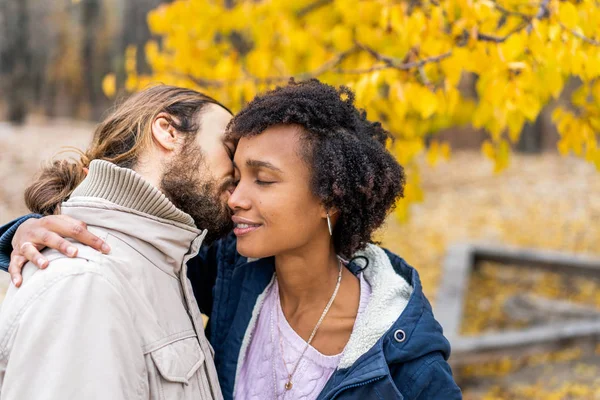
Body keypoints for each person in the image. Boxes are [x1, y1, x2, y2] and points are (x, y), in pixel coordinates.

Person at [1, 80, 462, 399]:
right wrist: (21, 231)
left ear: (330, 198)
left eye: (261, 179)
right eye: (234, 171)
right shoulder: (225, 268)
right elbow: (121, 250)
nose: (235, 197)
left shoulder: (404, 358)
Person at [0, 85, 236, 399]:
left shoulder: (168, 266)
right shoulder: (84, 284)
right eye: (229, 148)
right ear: (167, 131)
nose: (238, 171)